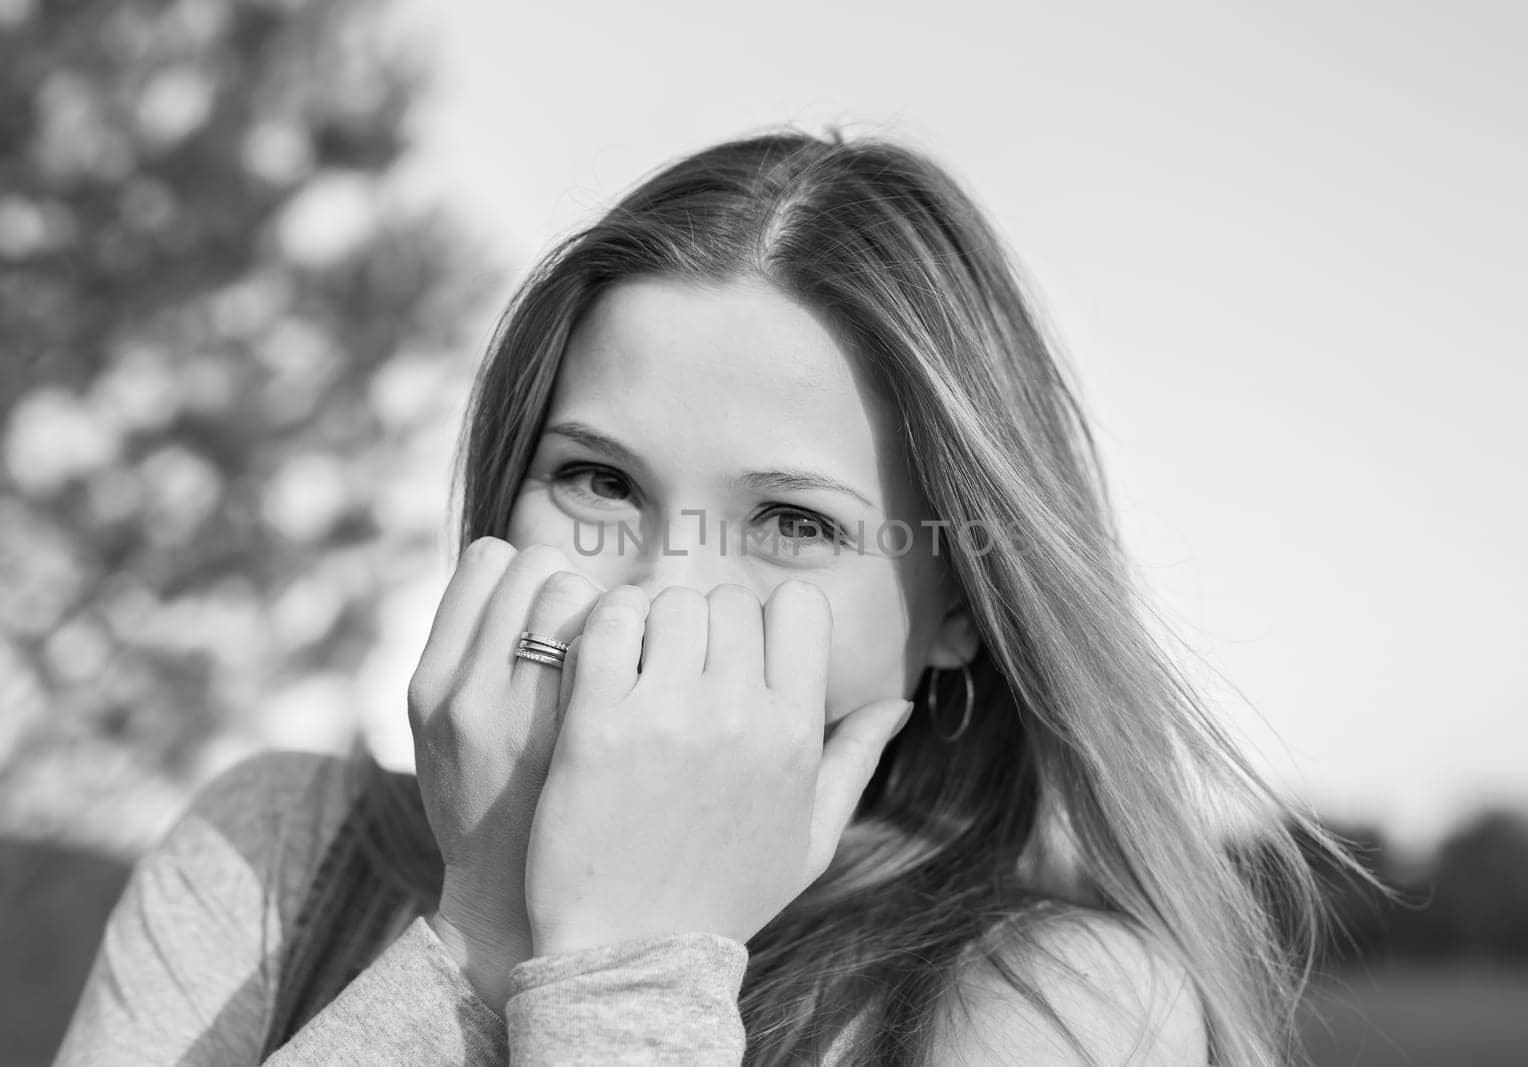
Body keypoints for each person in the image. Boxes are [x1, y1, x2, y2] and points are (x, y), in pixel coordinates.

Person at [54, 127, 1378, 1066]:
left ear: (963, 603)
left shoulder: (1052, 1006)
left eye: (794, 522)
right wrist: (492, 928)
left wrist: (626, 980)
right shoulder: (277, 854)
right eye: (599, 482)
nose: (657, 590)